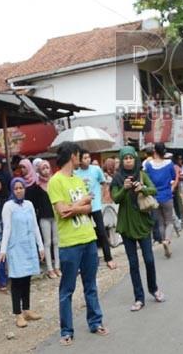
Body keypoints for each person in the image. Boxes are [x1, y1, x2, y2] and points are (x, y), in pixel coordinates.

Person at [48, 141, 108, 347]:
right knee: (67, 288)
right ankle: (66, 331)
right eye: (77, 154)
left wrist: (78, 205)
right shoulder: (55, 181)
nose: (79, 157)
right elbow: (61, 212)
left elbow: (89, 207)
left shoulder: (78, 179)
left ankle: (96, 322)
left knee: (91, 284)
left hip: (88, 237)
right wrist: (80, 203)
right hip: (70, 243)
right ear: (72, 156)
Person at [111, 145, 165, 311]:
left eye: (130, 158)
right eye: (125, 158)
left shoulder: (142, 174)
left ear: (135, 159)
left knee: (149, 259)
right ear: (122, 161)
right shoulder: (117, 179)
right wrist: (124, 189)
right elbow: (115, 198)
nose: (128, 161)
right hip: (126, 224)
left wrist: (143, 188)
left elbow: (154, 190)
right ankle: (139, 298)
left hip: (142, 223)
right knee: (133, 263)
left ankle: (154, 289)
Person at [0, 178, 45, 328]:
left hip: (29, 246)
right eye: (16, 188)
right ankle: (18, 314)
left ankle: (27, 309)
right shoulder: (8, 206)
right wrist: (3, 250)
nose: (19, 190)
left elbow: (35, 226)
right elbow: (6, 228)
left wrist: (40, 246)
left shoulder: (29, 204)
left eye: (21, 188)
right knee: (17, 281)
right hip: (15, 247)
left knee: (27, 279)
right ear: (12, 190)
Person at [74, 151, 117, 270]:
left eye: (89, 157)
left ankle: (108, 258)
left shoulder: (96, 169)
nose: (87, 159)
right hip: (83, 206)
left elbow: (104, 183)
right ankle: (89, 260)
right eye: (85, 157)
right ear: (80, 159)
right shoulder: (76, 173)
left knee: (102, 232)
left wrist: (102, 196)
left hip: (96, 205)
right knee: (85, 233)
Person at [143, 143, 177, 259]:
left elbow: (146, 180)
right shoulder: (169, 164)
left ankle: (164, 242)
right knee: (169, 221)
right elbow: (173, 177)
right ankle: (167, 241)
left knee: (161, 222)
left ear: (154, 151)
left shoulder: (148, 165)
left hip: (155, 198)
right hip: (167, 195)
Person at [29, 158, 59, 279]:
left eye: (47, 168)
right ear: (39, 170)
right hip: (44, 217)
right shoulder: (37, 186)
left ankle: (57, 266)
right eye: (43, 168)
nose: (46, 170)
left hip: (55, 215)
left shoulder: (54, 183)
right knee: (47, 243)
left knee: (56, 241)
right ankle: (50, 268)